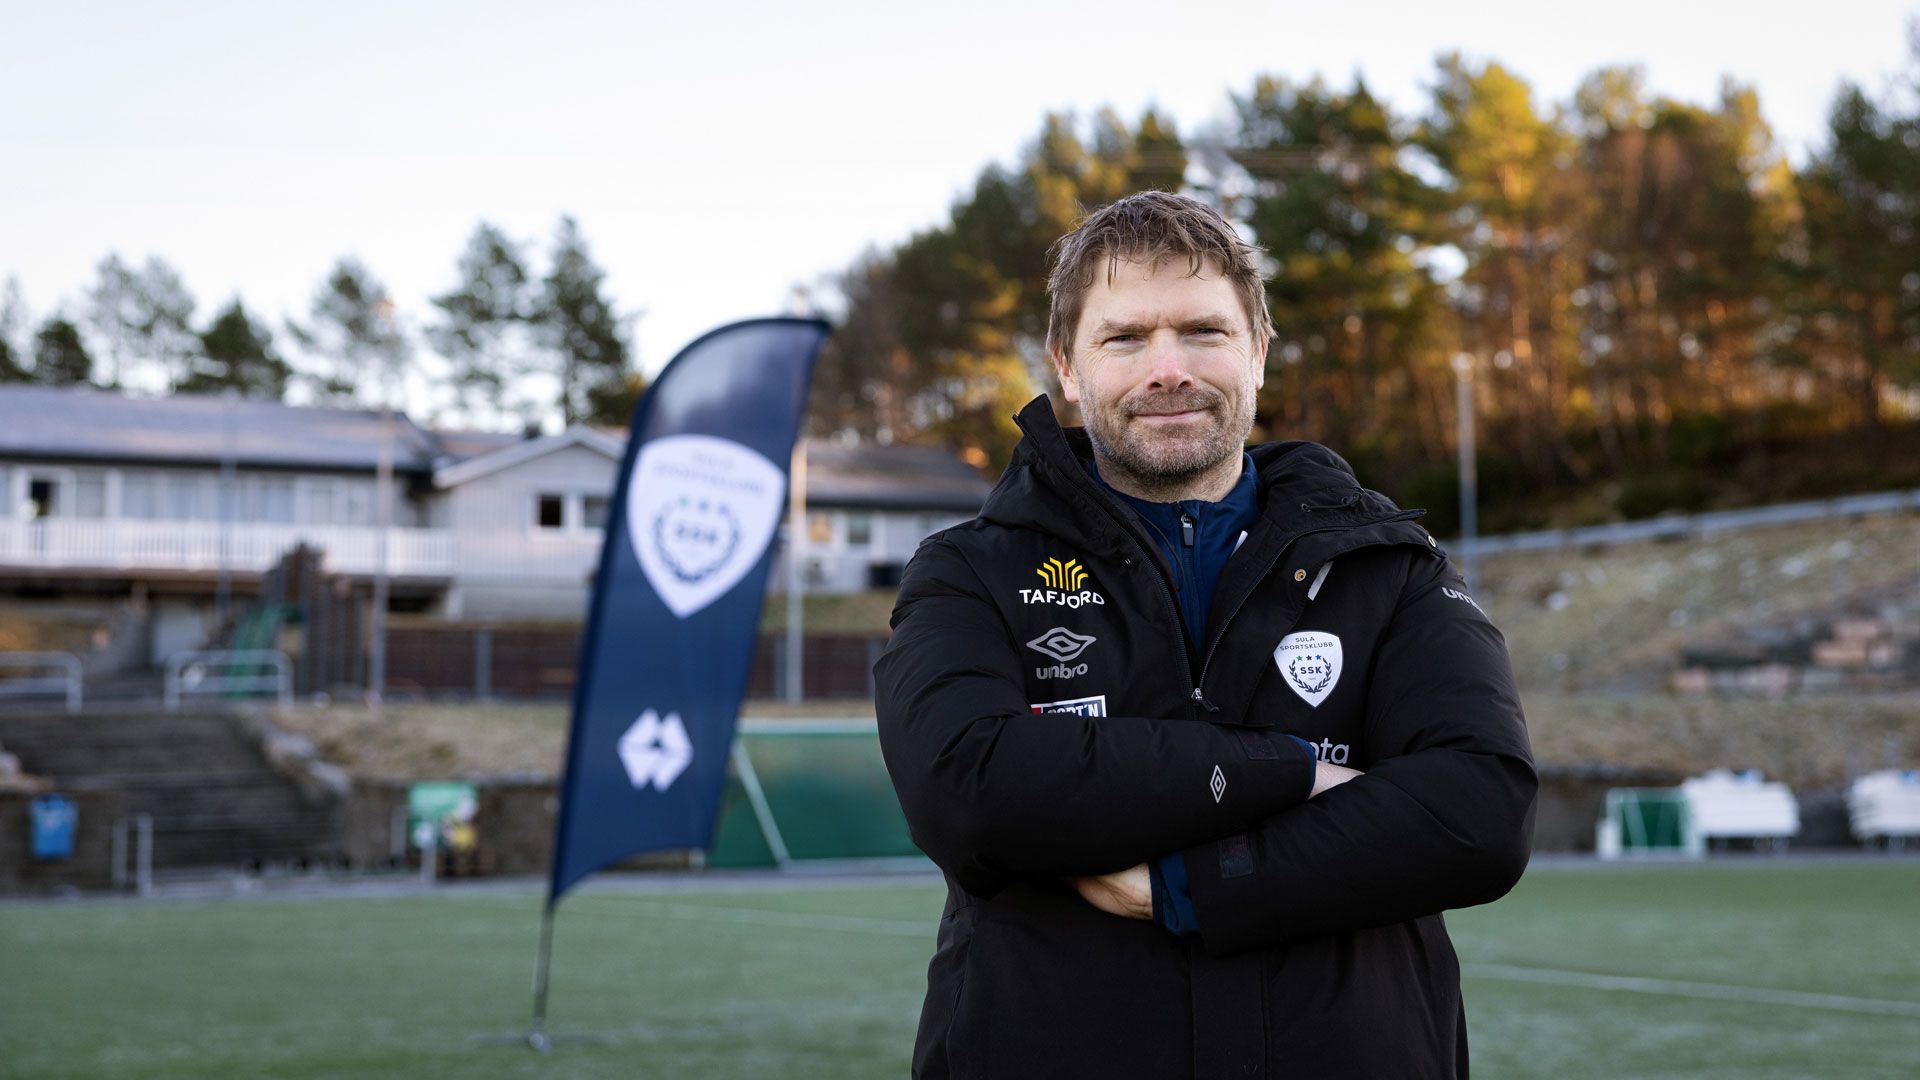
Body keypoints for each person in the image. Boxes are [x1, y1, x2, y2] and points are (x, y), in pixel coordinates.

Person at [874, 190, 1536, 1079]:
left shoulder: (1392, 567)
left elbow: (1479, 813)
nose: (1168, 368)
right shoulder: (968, 572)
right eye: (1124, 339)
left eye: (1203, 332)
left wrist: (1188, 886)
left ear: (1258, 353)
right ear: (1067, 368)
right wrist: (1294, 771)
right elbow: (971, 792)